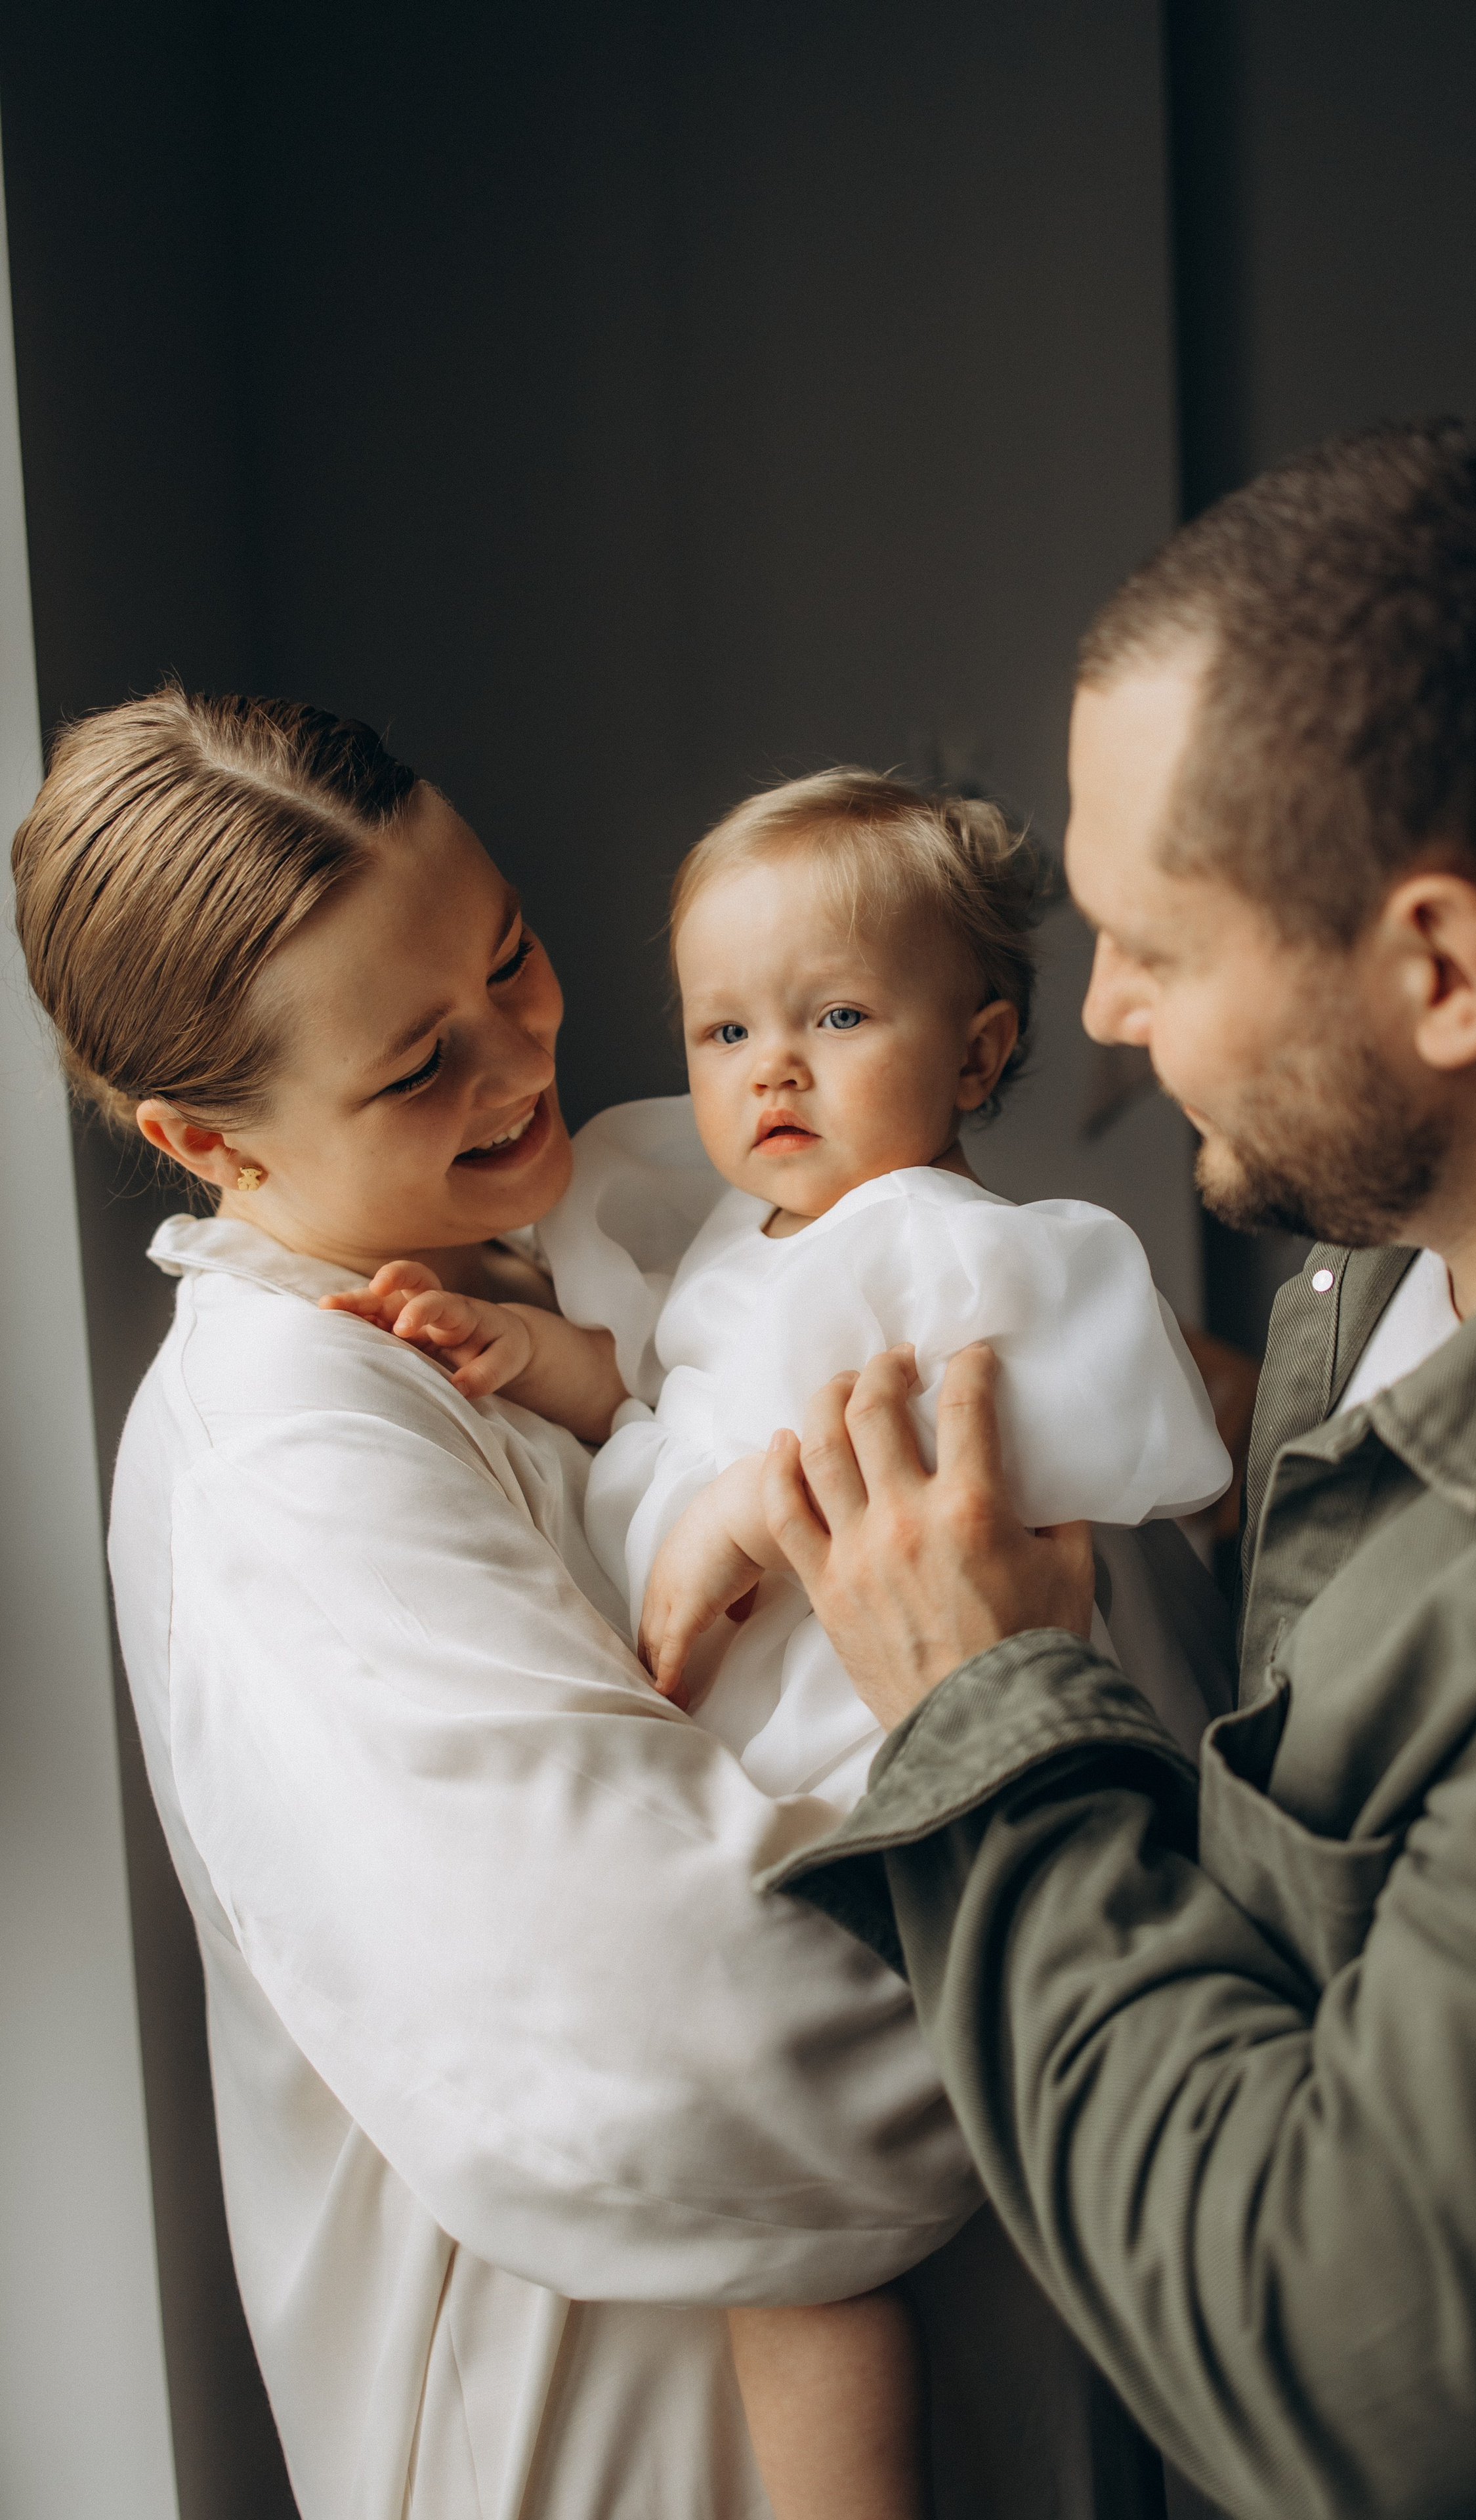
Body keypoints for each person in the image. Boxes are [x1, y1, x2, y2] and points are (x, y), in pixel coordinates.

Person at [11, 686, 1168, 2520]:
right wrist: (1132, 1921)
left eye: (514, 959)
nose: (517, 1059)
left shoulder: (633, 1210)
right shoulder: (282, 1455)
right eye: (416, 1066)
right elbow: (714, 2062)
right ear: (207, 1142)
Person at [747, 419, 1476, 2520]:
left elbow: (1345, 2369)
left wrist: (980, 1708)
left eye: (1156, 943)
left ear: (1441, 972)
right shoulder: (1364, 1291)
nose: (1107, 1018)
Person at [331, 768, 1231, 2517]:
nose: (773, 1070)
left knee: (815, 2246)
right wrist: (540, 1368)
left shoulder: (962, 1251)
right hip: (763, 1761)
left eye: (835, 1015)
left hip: (883, 1750)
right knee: (787, 2250)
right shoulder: (744, 1242)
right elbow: (671, 1397)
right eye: (726, 1027)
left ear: (976, 1054)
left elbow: (1110, 1428)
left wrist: (753, 1512)